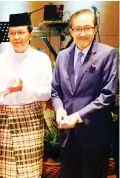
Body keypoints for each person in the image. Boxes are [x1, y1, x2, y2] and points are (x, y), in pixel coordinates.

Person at [51, 8, 119, 178]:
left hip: (94, 132)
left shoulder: (107, 54)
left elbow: (107, 95)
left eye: (88, 28)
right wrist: (59, 110)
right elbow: (56, 91)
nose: (83, 33)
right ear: (71, 31)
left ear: (95, 29)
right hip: (67, 134)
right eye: (78, 29)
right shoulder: (62, 56)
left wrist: (78, 116)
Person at [0, 12, 52, 178]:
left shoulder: (42, 59)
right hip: (6, 118)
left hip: (31, 118)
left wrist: (25, 89)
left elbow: (47, 93)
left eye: (21, 32)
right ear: (8, 34)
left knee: (31, 171)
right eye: (12, 33)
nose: (17, 37)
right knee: (8, 171)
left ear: (30, 34)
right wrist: (6, 91)